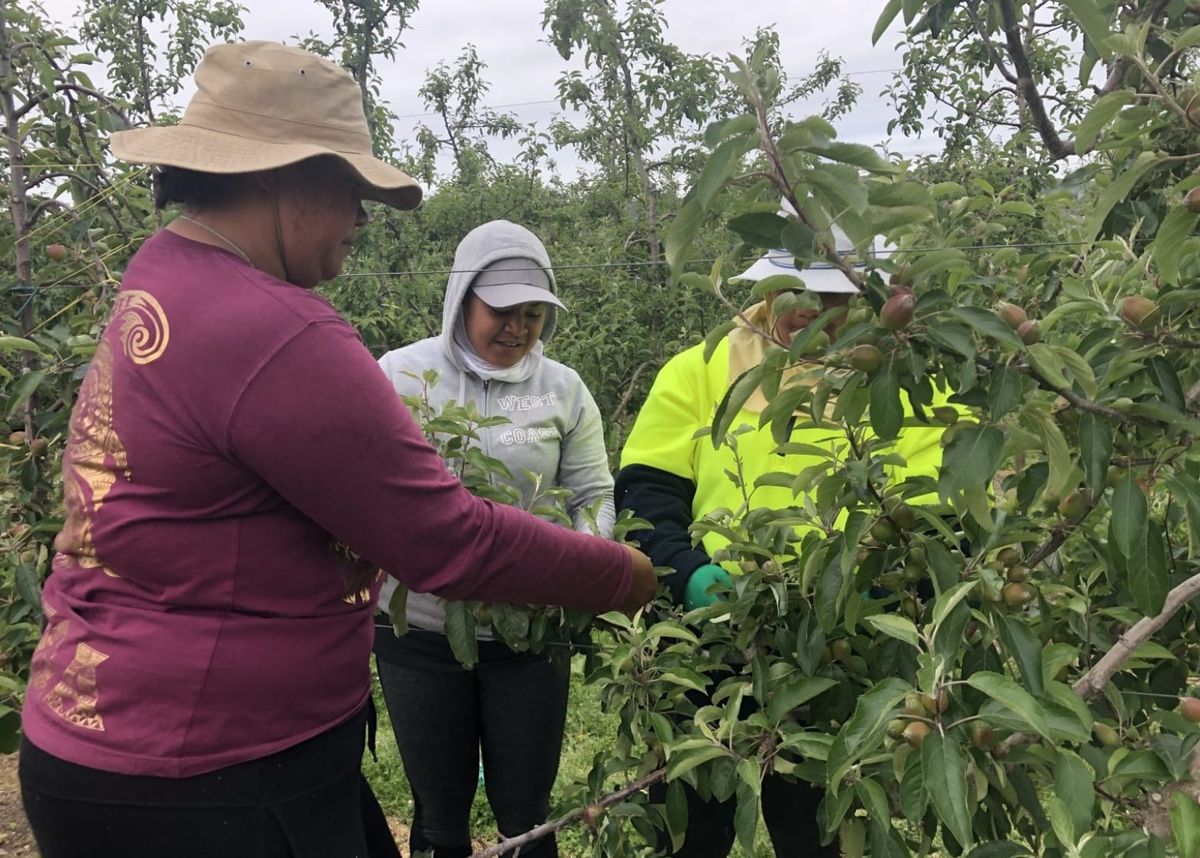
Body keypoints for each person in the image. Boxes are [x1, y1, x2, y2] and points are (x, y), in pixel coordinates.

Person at [17, 41, 656, 858]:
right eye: (350, 188)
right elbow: (447, 541)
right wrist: (620, 575)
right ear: (282, 175)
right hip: (209, 772)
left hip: (110, 731)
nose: (361, 217)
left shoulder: (166, 271)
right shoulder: (276, 330)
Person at [615, 229, 943, 857]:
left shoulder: (892, 379)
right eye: (796, 290)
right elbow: (646, 494)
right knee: (690, 827)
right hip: (710, 634)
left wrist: (888, 574)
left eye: (832, 295)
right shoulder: (702, 369)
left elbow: (934, 500)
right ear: (767, 290)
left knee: (824, 828)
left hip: (840, 643)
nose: (810, 309)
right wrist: (687, 572)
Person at [372, 219, 614, 858]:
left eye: (533, 313)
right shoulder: (398, 376)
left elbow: (593, 496)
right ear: (462, 300)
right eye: (501, 311)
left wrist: (577, 572)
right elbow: (367, 491)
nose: (518, 327)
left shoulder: (563, 389)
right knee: (438, 813)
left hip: (530, 635)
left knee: (527, 813)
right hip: (419, 632)